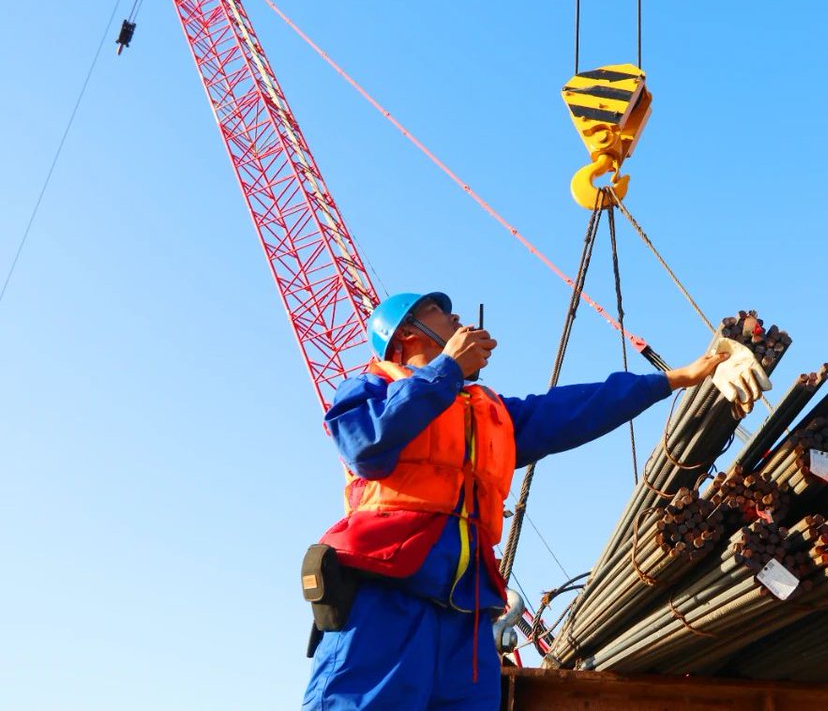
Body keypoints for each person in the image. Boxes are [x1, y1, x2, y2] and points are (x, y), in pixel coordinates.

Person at [302, 291, 763, 710]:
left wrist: (681, 376)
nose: (457, 315)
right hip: (386, 596)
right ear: (405, 332)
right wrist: (446, 371)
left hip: (468, 611)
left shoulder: (491, 414)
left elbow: (577, 407)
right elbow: (366, 445)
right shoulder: (370, 390)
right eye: (440, 312)